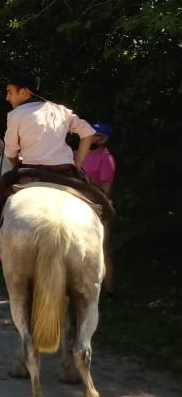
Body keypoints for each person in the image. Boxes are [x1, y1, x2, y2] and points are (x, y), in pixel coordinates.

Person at [0, 71, 109, 266]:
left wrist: (17, 163)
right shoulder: (60, 110)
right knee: (100, 204)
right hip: (66, 173)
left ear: (24, 92)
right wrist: (77, 165)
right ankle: (96, 253)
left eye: (10, 92)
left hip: (32, 171)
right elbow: (88, 133)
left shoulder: (16, 115)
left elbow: (10, 152)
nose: (7, 97)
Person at [83, 122, 117, 295]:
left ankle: (109, 290)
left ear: (103, 139)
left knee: (101, 248)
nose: (90, 137)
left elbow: (106, 190)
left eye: (94, 134)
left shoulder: (106, 159)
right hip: (80, 203)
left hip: (97, 207)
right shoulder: (82, 154)